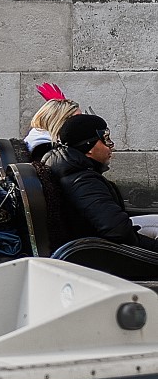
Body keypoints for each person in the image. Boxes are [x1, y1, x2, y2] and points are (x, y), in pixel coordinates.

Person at [45, 114, 158, 252]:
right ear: (89, 147)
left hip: (95, 242)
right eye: (105, 139)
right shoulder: (82, 181)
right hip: (98, 252)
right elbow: (117, 231)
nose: (111, 146)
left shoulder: (72, 169)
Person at [24, 82, 80, 160]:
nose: (81, 122)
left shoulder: (39, 137)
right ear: (59, 120)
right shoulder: (44, 148)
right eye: (76, 119)